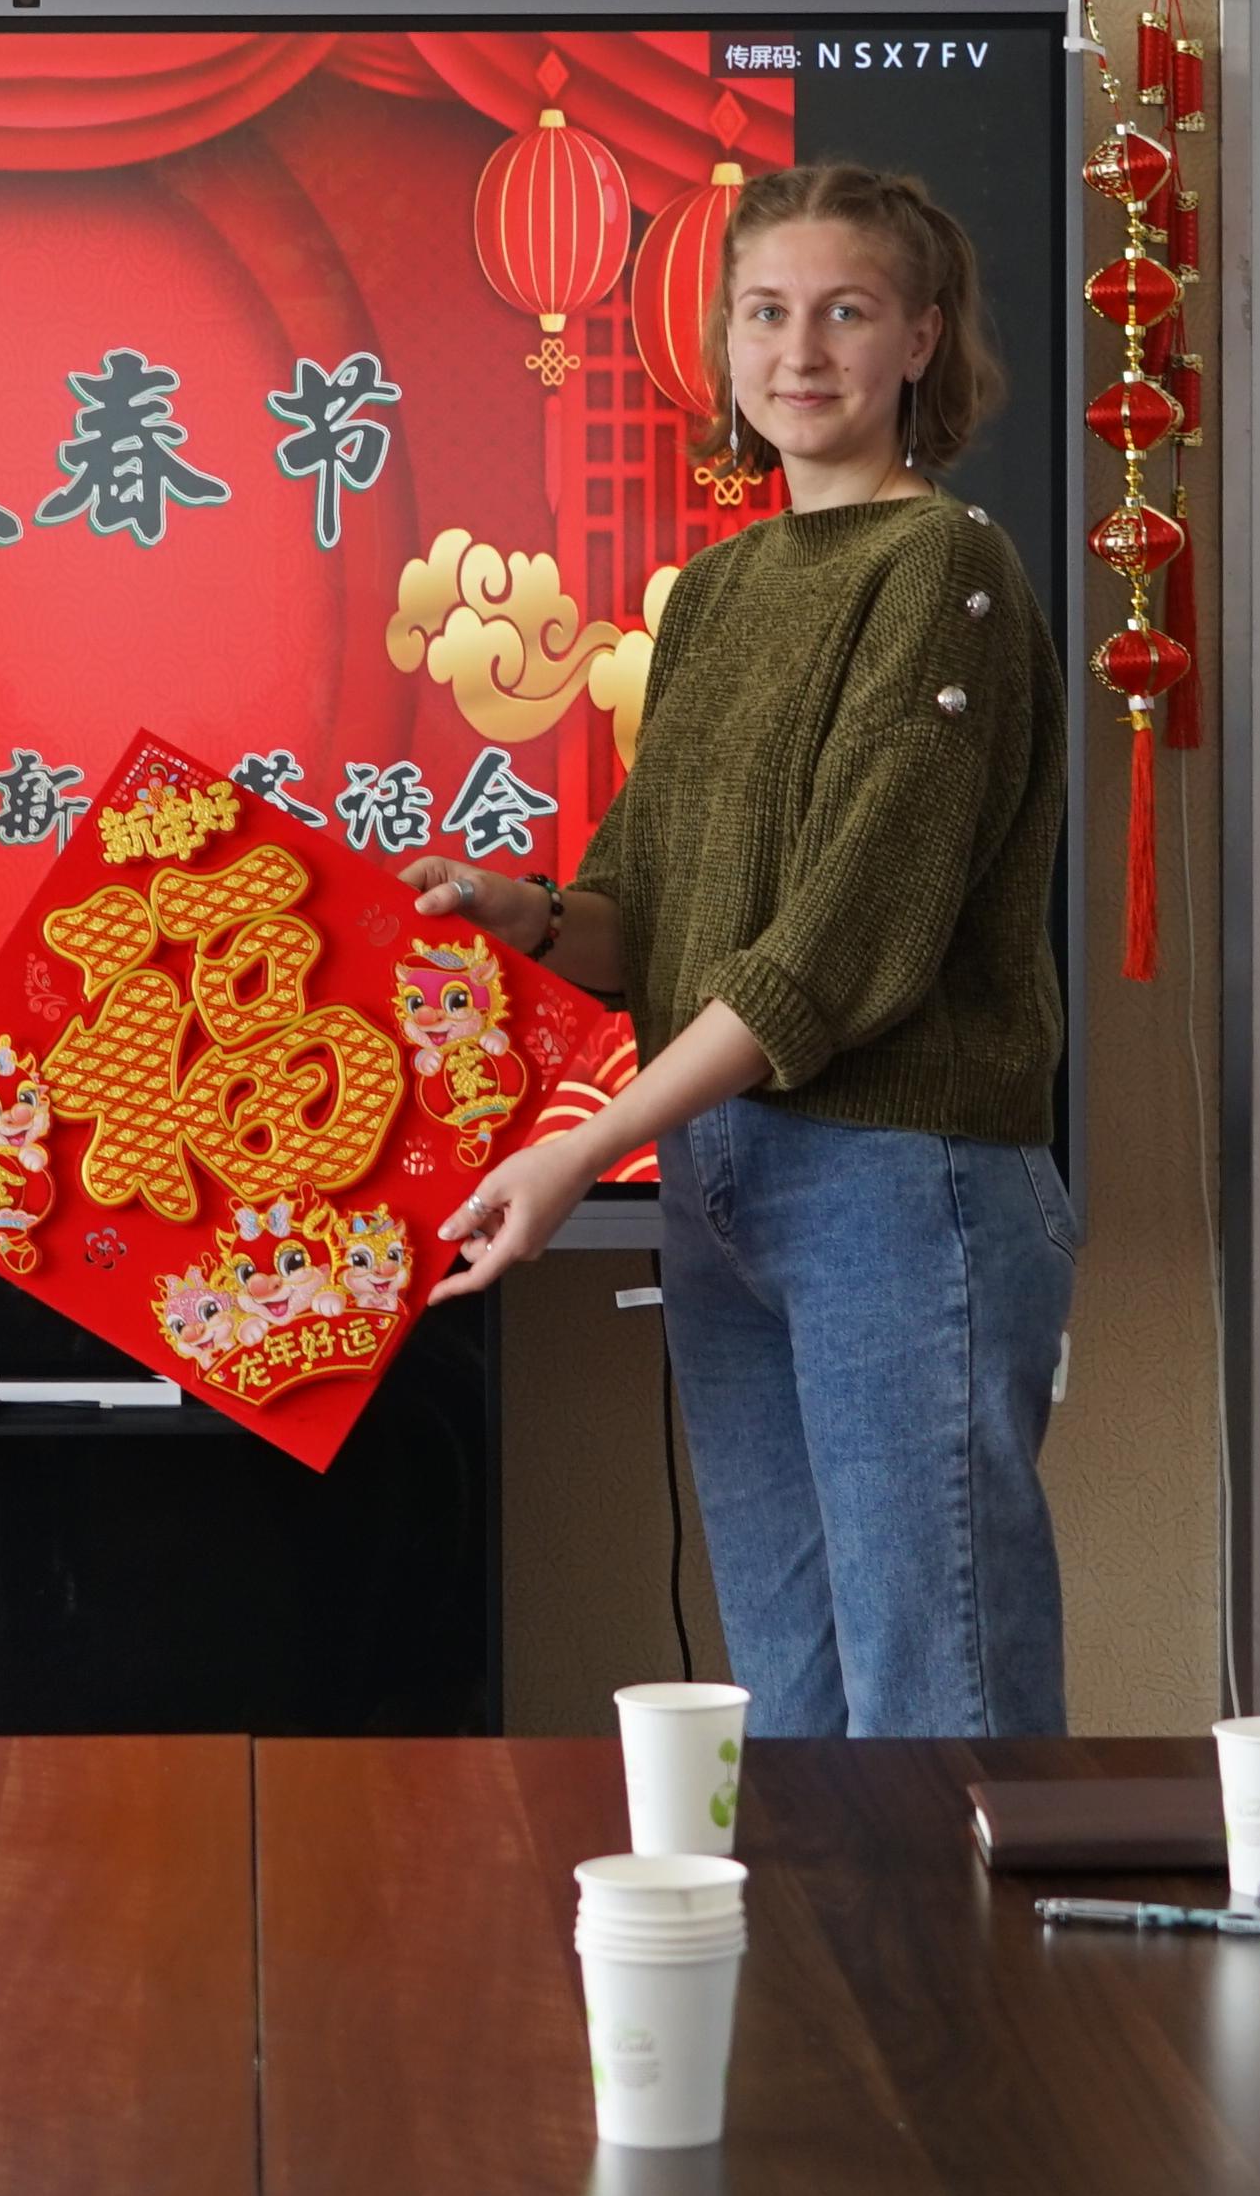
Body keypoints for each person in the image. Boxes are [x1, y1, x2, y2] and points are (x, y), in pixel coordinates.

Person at [412, 163, 1077, 1737]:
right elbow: (645, 909)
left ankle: (966, 1926)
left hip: (896, 1185)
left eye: (845, 311)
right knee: (789, 1699)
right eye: (765, 312)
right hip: (723, 1181)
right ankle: (828, 1924)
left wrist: (589, 1145)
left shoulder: (944, 569)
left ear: (920, 338)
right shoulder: (715, 589)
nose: (800, 350)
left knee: (934, 1698)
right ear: (722, 341)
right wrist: (531, 916)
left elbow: (833, 950)